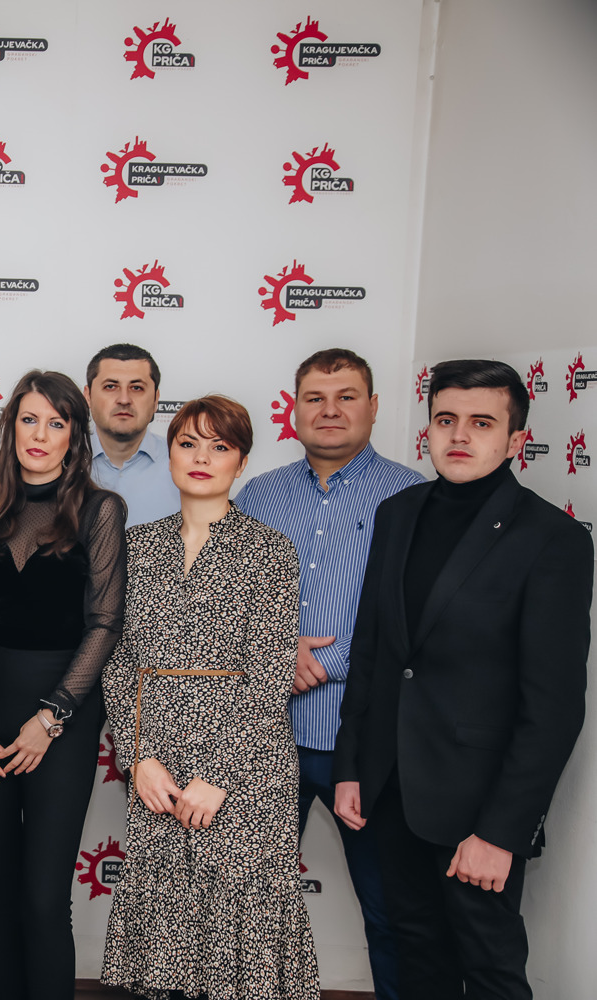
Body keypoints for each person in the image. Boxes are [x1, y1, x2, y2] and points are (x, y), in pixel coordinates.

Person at [334, 360, 592, 1000]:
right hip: (391, 791)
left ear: (514, 439)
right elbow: (373, 651)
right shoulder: (398, 512)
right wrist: (351, 766)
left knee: (491, 970)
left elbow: (555, 707)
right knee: (418, 959)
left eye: (481, 423)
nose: (459, 435)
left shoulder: (552, 538)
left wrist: (502, 833)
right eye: (446, 419)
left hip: (478, 806)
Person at [101, 395, 319, 1000]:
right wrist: (139, 758)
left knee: (240, 941)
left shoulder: (270, 551)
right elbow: (117, 664)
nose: (202, 457)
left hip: (246, 769)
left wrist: (219, 775)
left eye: (219, 446)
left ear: (241, 462)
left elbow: (269, 675)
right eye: (188, 443)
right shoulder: (135, 547)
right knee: (167, 942)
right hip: (158, 762)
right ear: (169, 454)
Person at [235, 348, 419, 1000]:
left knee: (391, 911)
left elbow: (418, 621)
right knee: (247, 910)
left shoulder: (411, 496)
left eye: (347, 397)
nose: (330, 410)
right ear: (295, 409)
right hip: (264, 740)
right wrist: (273, 652)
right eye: (315, 397)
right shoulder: (259, 495)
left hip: (367, 744)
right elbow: (227, 601)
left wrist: (320, 662)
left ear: (374, 407)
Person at [0, 370, 126, 1000]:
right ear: (10, 428)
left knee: (44, 896)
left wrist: (51, 716)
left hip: (64, 718)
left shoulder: (101, 510)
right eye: (29, 419)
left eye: (57, 423)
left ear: (74, 436)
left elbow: (105, 623)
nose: (40, 434)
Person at [83, 343, 179, 526]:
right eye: (110, 386)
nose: (124, 399)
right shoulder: (62, 461)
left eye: (136, 388)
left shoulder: (184, 464)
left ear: (156, 399)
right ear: (88, 396)